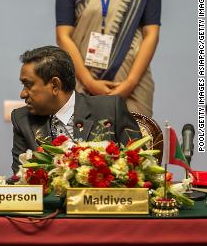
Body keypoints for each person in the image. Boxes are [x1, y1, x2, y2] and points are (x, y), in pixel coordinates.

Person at [11, 46, 141, 174]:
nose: (23, 94)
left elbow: (139, 167)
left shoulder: (110, 109)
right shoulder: (22, 120)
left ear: (55, 85)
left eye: (28, 84)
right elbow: (20, 181)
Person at [56, 0, 161, 117]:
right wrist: (89, 83)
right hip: (81, 80)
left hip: (131, 83)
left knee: (135, 135)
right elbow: (63, 36)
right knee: (81, 134)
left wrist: (130, 83)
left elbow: (151, 34)